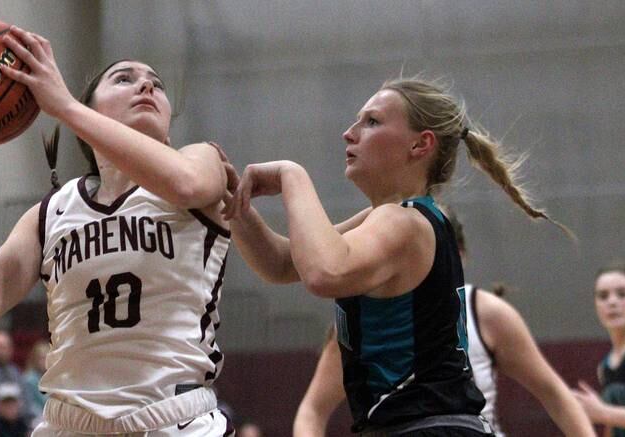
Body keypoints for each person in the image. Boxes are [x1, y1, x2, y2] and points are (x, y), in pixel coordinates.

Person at [0, 24, 232, 436]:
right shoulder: (52, 211)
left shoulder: (199, 160)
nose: (146, 87)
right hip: (69, 423)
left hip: (175, 419)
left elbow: (187, 184)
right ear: (93, 111)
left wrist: (62, 106)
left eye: (156, 83)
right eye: (125, 79)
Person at [222, 76, 570, 435]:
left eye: (371, 121)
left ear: (421, 145)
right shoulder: (395, 217)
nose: (349, 133)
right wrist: (232, 204)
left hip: (428, 426)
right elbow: (281, 263)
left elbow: (324, 273)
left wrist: (291, 176)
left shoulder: (404, 221)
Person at [292, 211, 595, 436]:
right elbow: (313, 410)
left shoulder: (487, 312)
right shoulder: (362, 315)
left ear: (456, 256)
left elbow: (554, 392)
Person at [573, 262, 625, 436]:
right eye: (603, 296)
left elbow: (606, 415)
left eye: (622, 294)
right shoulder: (605, 366)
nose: (612, 302)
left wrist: (603, 413)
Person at [22, 340, 49, 424]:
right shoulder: (29, 379)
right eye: (42, 358)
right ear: (35, 359)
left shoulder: (53, 379)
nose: (45, 362)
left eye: (47, 358)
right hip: (35, 418)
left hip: (51, 416)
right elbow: (30, 405)